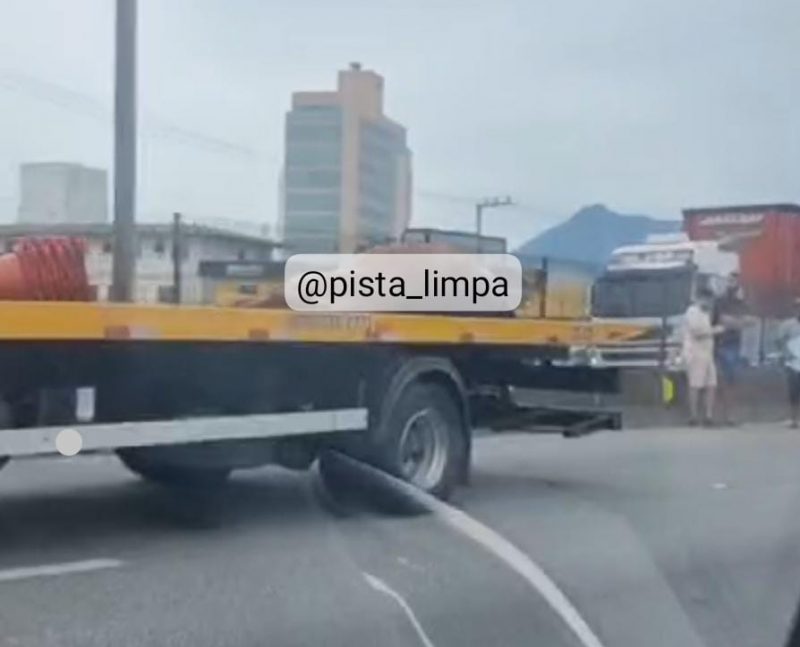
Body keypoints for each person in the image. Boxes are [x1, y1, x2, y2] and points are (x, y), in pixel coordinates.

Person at [712, 273, 749, 425]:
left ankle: (729, 416)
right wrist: (736, 322)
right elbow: (717, 321)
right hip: (720, 344)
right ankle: (717, 415)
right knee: (718, 382)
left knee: (732, 381)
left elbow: (750, 321)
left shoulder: (741, 303)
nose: (732, 284)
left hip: (735, 344)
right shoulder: (720, 301)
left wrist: (731, 322)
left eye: (735, 281)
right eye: (730, 280)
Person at [683, 287, 724, 426]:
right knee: (695, 385)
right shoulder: (692, 311)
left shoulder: (706, 313)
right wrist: (715, 330)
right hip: (695, 353)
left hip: (707, 353)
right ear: (701, 298)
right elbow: (697, 332)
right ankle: (693, 416)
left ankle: (709, 415)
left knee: (711, 384)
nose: (710, 302)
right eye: (708, 299)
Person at [778, 298, 800, 428]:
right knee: (793, 392)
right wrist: (786, 354)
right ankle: (794, 419)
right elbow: (780, 342)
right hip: (793, 362)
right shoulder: (787, 325)